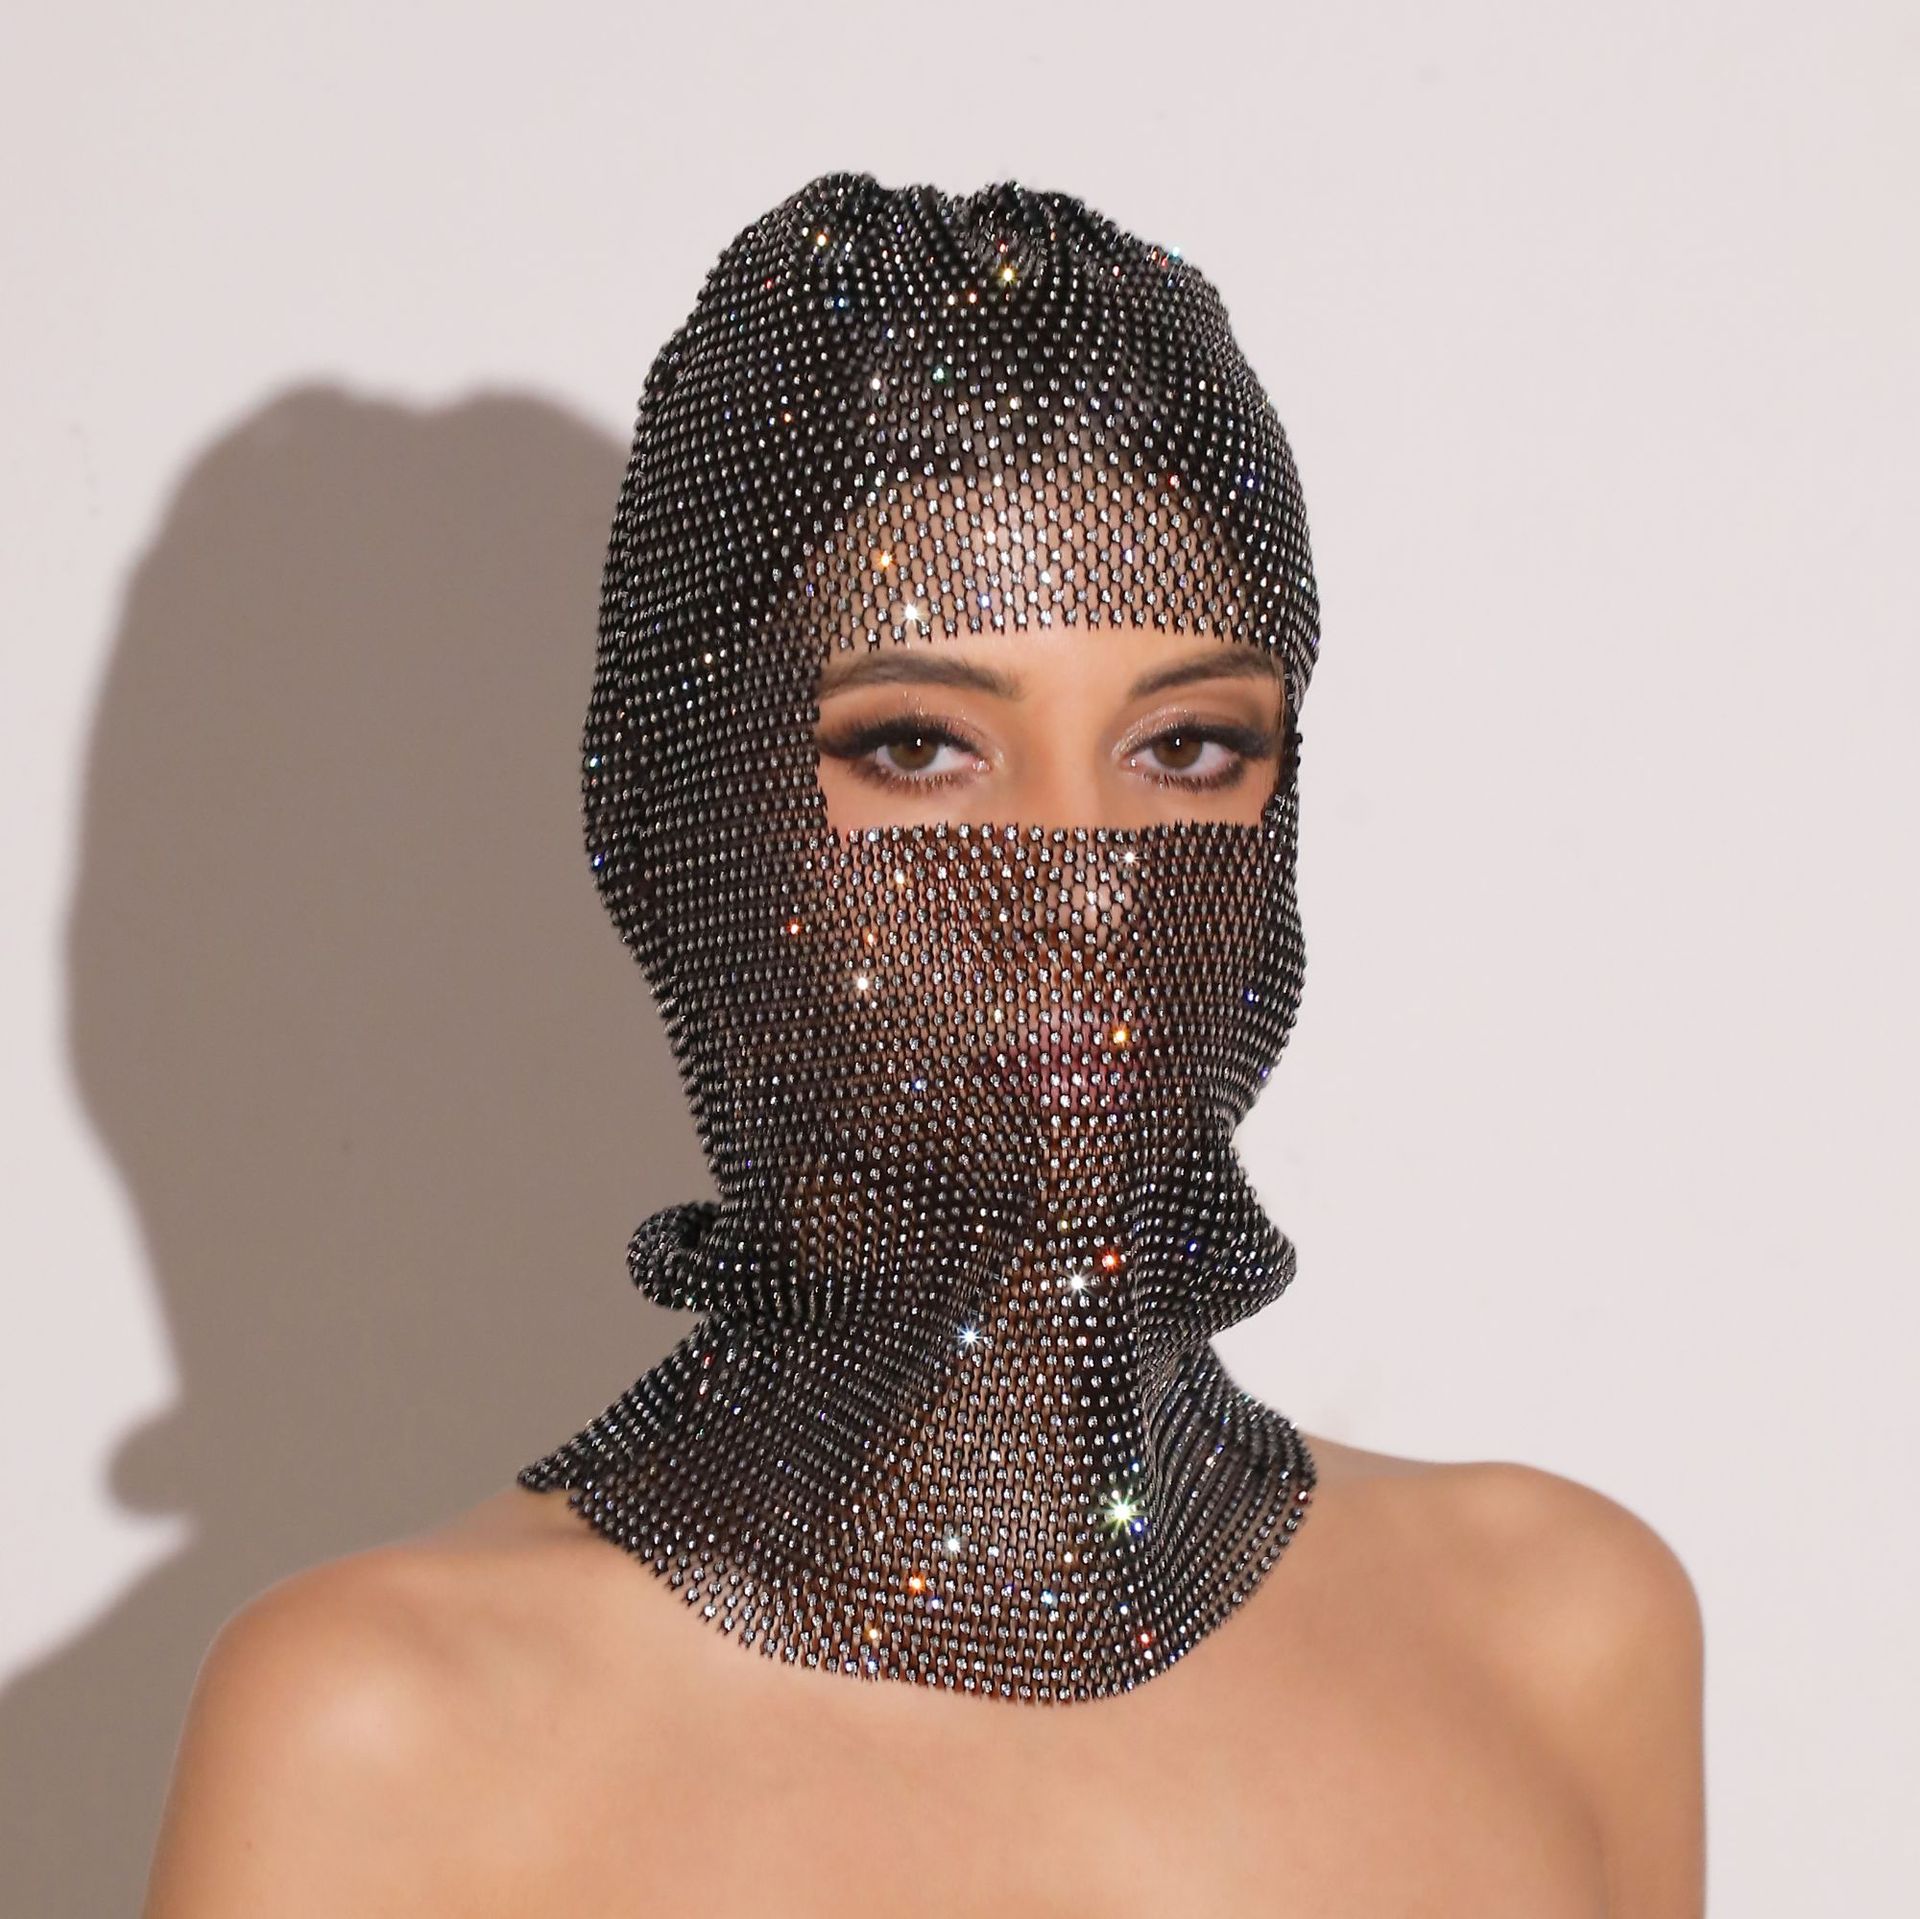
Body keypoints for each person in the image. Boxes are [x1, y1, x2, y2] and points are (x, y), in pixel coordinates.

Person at [143, 173, 1705, 1915]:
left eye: (1187, 747)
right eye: (918, 747)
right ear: (678, 821)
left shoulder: (1558, 1635)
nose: (1086, 889)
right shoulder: (388, 1742)